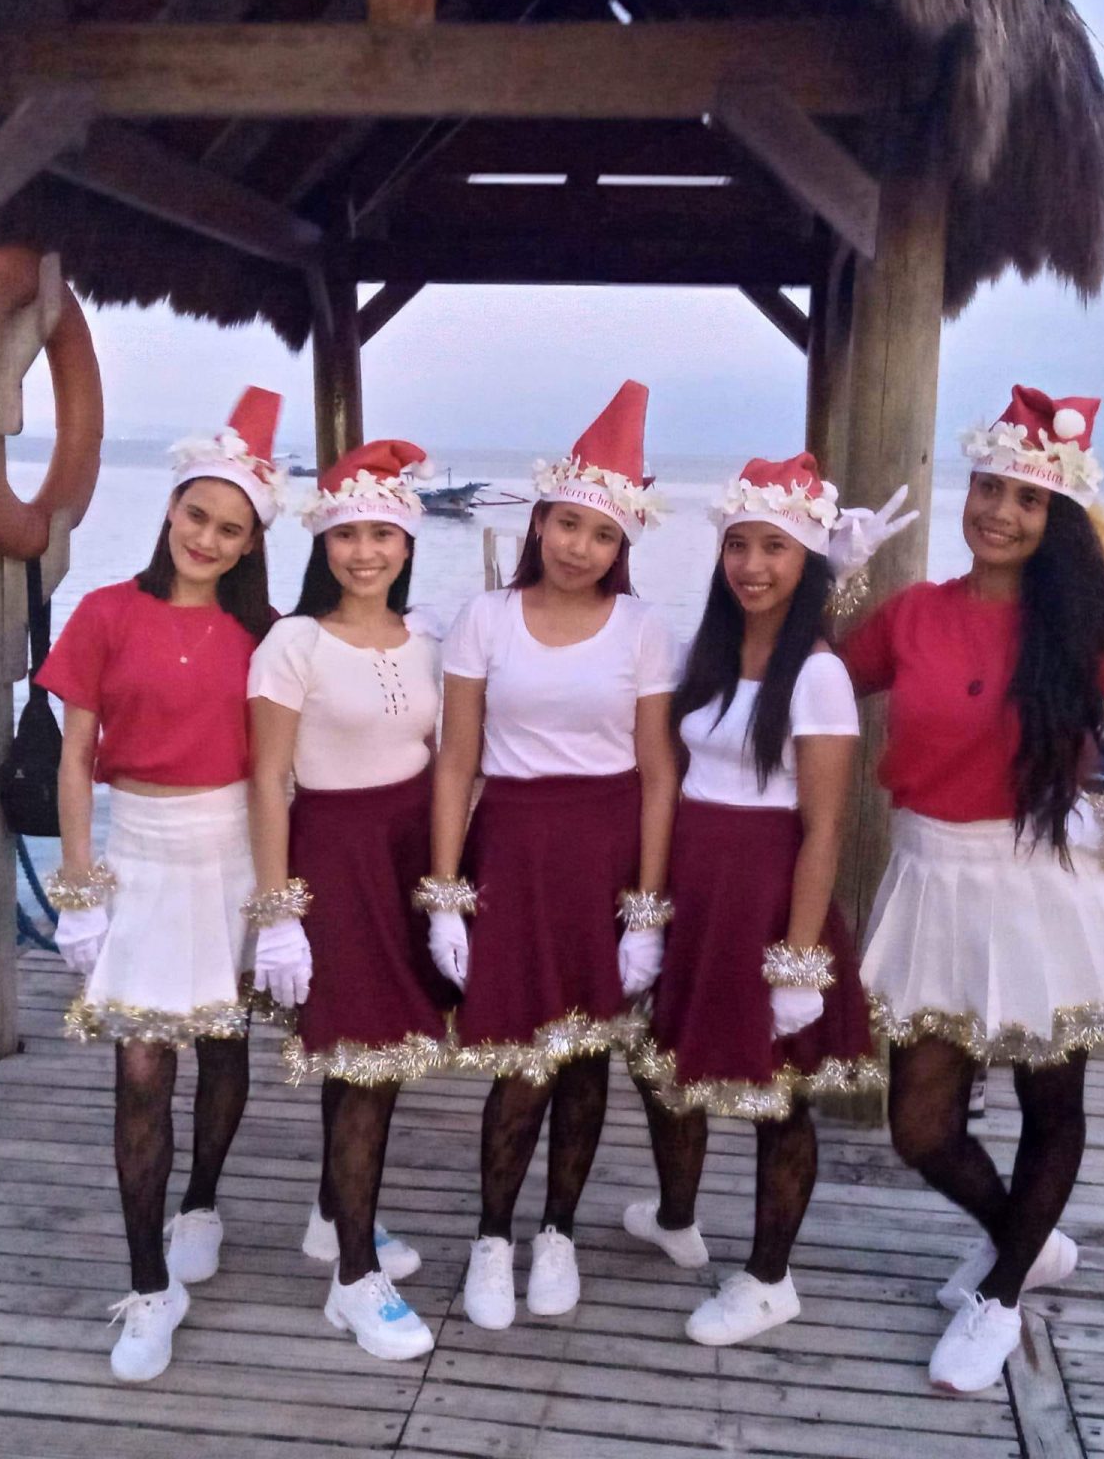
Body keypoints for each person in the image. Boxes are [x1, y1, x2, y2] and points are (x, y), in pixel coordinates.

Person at [839, 386, 1104, 1393]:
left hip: (1041, 883)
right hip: (930, 875)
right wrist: (831, 573)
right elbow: (809, 685)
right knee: (920, 1126)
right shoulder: (912, 614)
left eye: (1026, 499)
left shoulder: (1091, 623)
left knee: (1049, 1098)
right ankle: (1024, 1240)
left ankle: (1000, 1296)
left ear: (1057, 516)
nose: (998, 512)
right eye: (987, 489)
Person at [37, 388, 286, 1382]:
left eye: (230, 529)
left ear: (251, 543)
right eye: (197, 515)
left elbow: (282, 772)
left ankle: (202, 1203)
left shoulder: (266, 633)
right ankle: (147, 1288)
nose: (207, 539)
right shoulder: (105, 612)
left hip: (231, 848)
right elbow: (73, 759)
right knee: (142, 1066)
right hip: (137, 850)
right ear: (172, 507)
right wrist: (79, 887)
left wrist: (283, 904)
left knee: (223, 1042)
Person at [426, 380, 678, 1329]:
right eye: (567, 524)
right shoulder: (484, 618)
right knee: (521, 1057)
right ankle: (493, 1237)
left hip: (605, 855)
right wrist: (445, 895)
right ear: (539, 522)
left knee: (585, 1058)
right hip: (515, 852)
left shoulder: (645, 631)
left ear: (624, 547)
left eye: (602, 534)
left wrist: (645, 914)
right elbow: (457, 763)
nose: (580, 546)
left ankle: (558, 1232)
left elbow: (658, 776)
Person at [625, 452, 886, 1346]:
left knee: (780, 1092)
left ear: (807, 562)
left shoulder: (817, 675)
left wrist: (799, 962)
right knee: (666, 1068)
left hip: (766, 894)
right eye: (738, 545)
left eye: (774, 548)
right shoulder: (708, 655)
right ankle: (676, 1217)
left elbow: (825, 828)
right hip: (696, 886)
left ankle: (771, 1278)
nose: (751, 566)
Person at [246, 439, 452, 1361]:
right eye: (346, 535)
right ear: (322, 543)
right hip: (336, 858)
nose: (364, 552)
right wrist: (278, 912)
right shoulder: (293, 643)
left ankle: (334, 1220)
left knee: (384, 1054)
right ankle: (355, 1281)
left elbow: (445, 760)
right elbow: (267, 778)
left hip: (409, 857)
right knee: (362, 1058)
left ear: (407, 543)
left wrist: (446, 889)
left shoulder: (428, 642)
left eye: (382, 535)